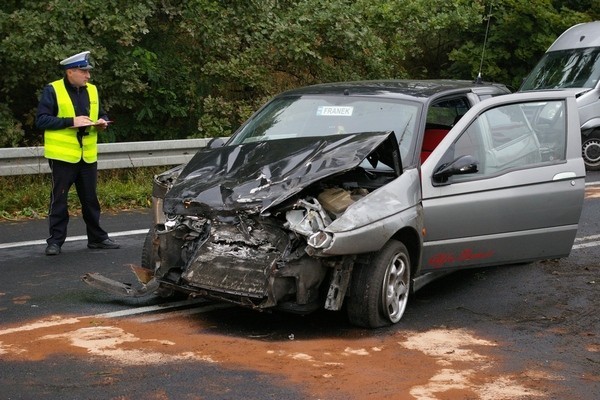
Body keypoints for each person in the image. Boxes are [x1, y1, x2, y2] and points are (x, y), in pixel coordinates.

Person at [36, 50, 119, 256]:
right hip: (62, 157)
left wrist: (102, 122)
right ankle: (55, 241)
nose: (88, 76)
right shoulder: (53, 90)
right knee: (59, 200)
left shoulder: (92, 90)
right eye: (84, 72)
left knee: (91, 200)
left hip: (87, 156)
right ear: (71, 72)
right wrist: (70, 122)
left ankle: (97, 239)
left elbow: (100, 114)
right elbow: (42, 120)